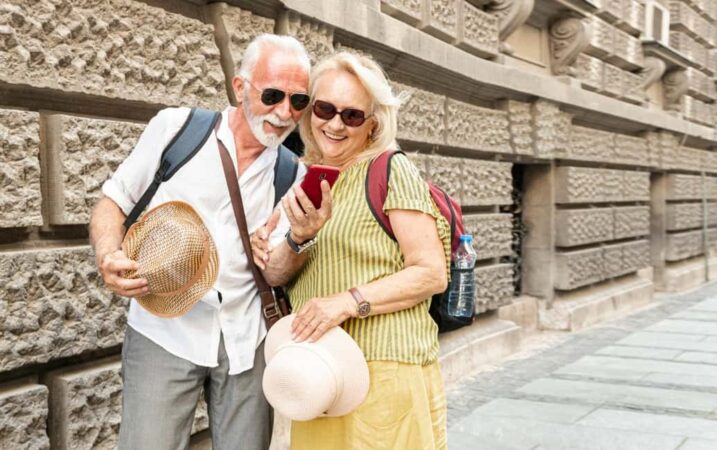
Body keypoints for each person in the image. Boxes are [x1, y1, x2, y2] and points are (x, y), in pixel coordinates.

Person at [89, 34, 331, 450]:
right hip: (163, 331)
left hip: (247, 339)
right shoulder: (176, 129)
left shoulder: (291, 173)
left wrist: (296, 242)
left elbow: (277, 271)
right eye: (272, 95)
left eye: (298, 102)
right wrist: (108, 255)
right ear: (240, 88)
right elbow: (113, 201)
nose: (283, 112)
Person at [252, 51, 450, 450]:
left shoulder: (390, 169)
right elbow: (276, 275)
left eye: (352, 115)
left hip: (383, 372)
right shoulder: (309, 177)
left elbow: (431, 272)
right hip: (320, 377)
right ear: (310, 113)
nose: (335, 124)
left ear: (372, 122)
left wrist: (345, 302)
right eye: (325, 109)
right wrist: (296, 239)